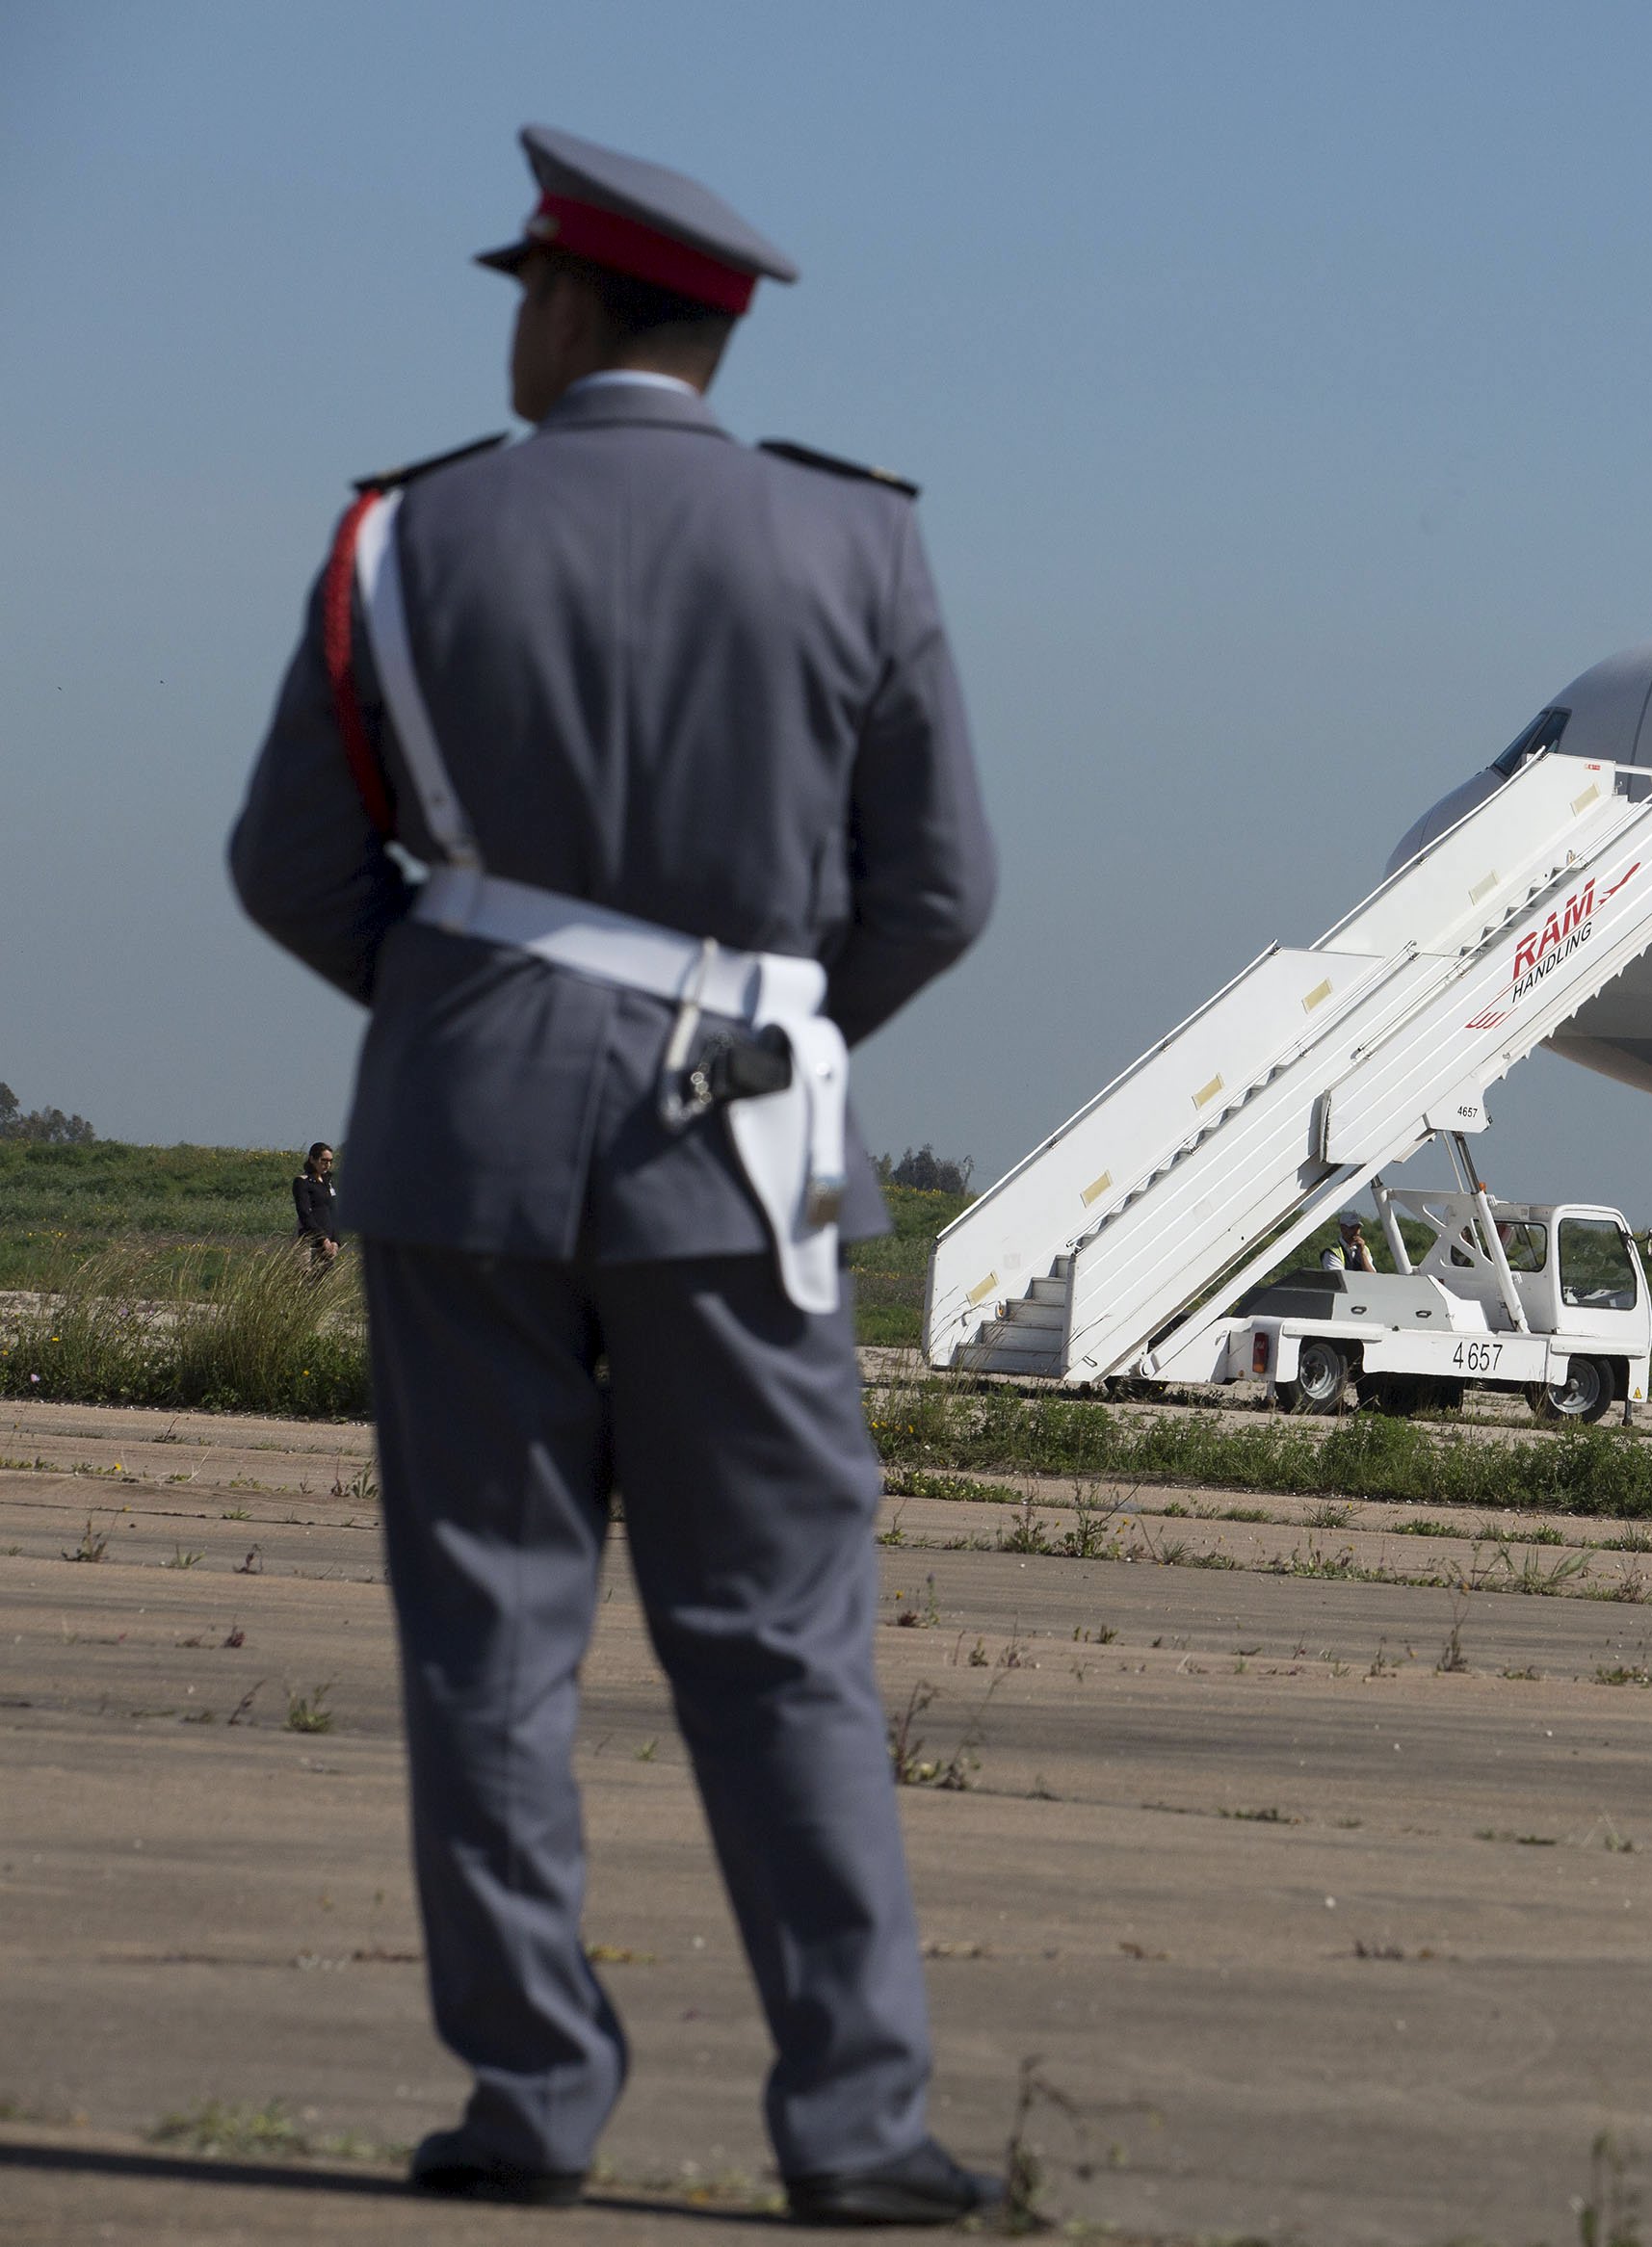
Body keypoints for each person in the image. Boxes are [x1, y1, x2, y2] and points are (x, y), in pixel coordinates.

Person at [226, 125, 998, 2223]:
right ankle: (855, 2125)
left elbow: (289, 861)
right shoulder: (861, 546)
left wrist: (466, 1003)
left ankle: (532, 2100)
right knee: (780, 1641)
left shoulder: (402, 540)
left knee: (487, 1637)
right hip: (732, 1157)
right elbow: (939, 889)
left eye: (522, 292)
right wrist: (772, 1025)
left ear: (572, 309)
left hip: (457, 1143)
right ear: (718, 335)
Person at [292, 1143, 340, 1274]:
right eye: (323, 1161)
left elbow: (334, 1212)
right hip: (309, 1239)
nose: (327, 1165)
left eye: (330, 1161)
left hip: (329, 1241)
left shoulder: (329, 1182)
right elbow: (304, 1213)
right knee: (305, 1277)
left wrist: (335, 1241)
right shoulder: (303, 1182)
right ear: (312, 1159)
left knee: (324, 1278)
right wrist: (322, 1238)